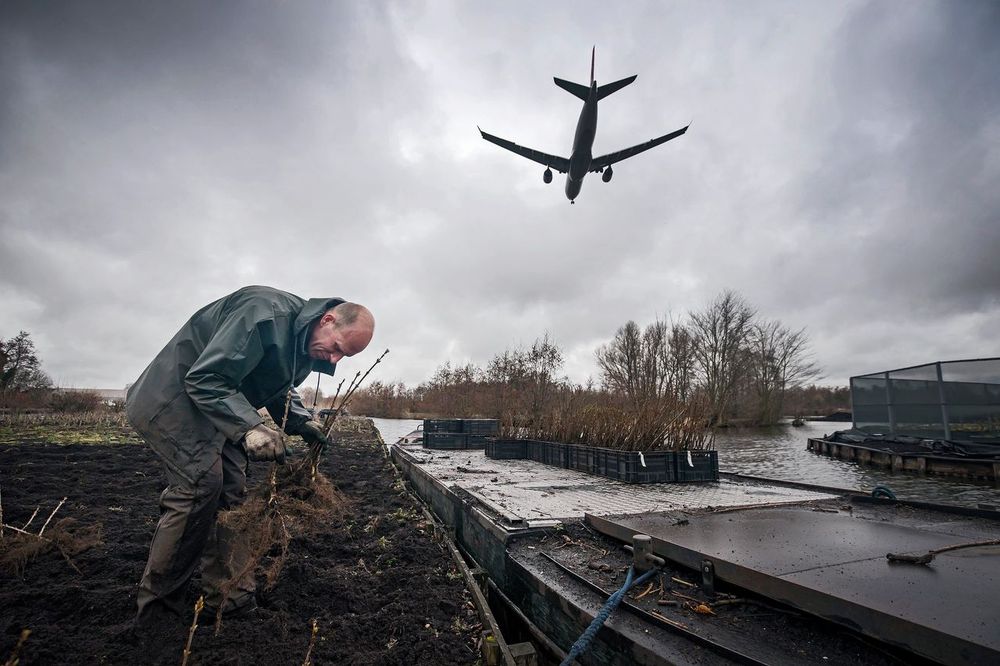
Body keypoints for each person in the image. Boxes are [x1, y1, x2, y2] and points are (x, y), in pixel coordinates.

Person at [125, 285, 374, 625]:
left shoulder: (302, 343)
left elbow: (277, 385)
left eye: (344, 358)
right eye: (337, 349)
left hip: (217, 410)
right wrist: (250, 428)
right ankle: (157, 612)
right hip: (174, 401)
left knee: (232, 493)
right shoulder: (263, 313)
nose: (334, 360)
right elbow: (206, 378)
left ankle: (230, 597)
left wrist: (302, 422)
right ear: (328, 320)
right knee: (201, 487)